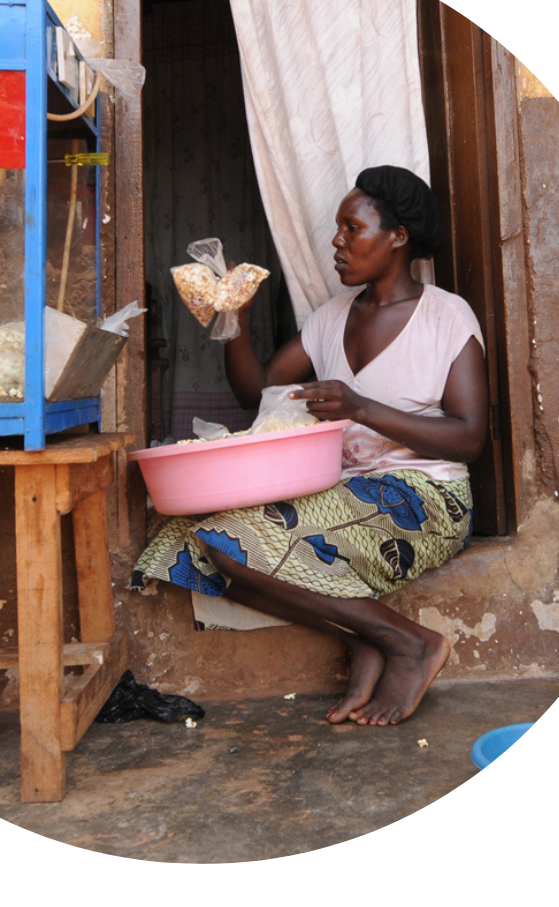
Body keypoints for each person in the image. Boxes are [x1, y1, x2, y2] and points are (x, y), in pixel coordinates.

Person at [132, 165, 488, 726]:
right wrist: (237, 320)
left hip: (428, 500)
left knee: (230, 538)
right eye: (338, 228)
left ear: (398, 238)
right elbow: (260, 391)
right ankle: (367, 638)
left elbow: (469, 437)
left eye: (353, 228)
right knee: (189, 537)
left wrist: (362, 408)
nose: (337, 242)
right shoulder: (333, 318)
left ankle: (412, 643)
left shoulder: (446, 316)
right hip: (346, 492)